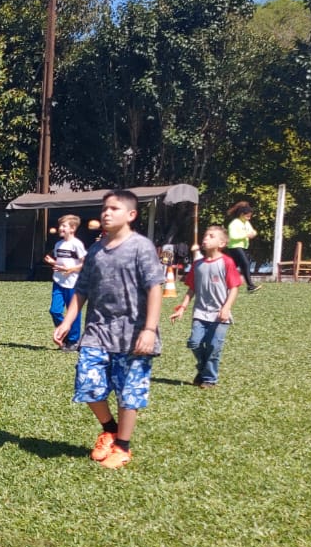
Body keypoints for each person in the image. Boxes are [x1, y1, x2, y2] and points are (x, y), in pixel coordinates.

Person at [54, 190, 166, 470]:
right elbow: (82, 290)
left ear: (131, 215)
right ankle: (110, 428)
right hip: (97, 331)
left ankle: (123, 447)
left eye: (114, 208)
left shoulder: (141, 247)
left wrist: (149, 329)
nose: (106, 213)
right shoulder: (95, 251)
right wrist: (67, 322)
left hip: (133, 334)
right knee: (88, 384)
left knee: (128, 392)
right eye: (104, 208)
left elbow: (155, 288)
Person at [170, 225, 243, 388]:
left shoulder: (226, 262)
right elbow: (192, 288)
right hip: (200, 313)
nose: (205, 238)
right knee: (194, 343)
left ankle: (209, 379)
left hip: (219, 314)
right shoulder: (197, 265)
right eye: (205, 235)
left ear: (222, 243)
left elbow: (234, 287)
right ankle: (204, 370)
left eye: (211, 236)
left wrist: (226, 308)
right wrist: (182, 307)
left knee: (213, 347)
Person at [43, 215, 87, 349]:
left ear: (72, 228)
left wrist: (71, 269)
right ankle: (65, 333)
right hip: (58, 282)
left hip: (73, 283)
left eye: (64, 226)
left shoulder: (77, 244)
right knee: (54, 310)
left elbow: (85, 264)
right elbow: (61, 264)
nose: (60, 228)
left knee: (73, 312)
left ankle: (74, 341)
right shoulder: (58, 244)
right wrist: (52, 262)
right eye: (60, 226)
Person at [224, 203, 260, 292]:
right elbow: (232, 236)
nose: (249, 218)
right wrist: (246, 235)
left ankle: (223, 284)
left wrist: (253, 233)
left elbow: (253, 231)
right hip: (235, 247)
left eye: (250, 216)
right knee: (246, 264)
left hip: (243, 247)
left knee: (232, 267)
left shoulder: (246, 223)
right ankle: (250, 286)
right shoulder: (234, 224)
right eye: (247, 216)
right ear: (241, 215)